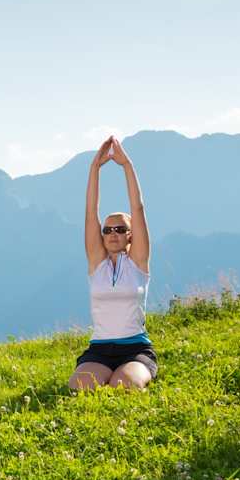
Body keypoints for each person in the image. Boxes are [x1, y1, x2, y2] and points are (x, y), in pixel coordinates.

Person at [70, 136, 157, 391]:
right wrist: (94, 168)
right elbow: (90, 213)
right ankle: (109, 374)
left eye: (120, 229)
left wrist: (126, 166)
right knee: (81, 385)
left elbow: (137, 208)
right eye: (107, 230)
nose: (112, 234)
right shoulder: (97, 264)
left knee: (125, 385)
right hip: (100, 349)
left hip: (136, 348)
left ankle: (133, 373)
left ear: (131, 235)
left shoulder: (138, 263)